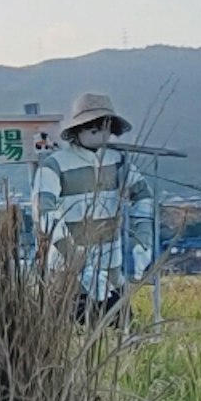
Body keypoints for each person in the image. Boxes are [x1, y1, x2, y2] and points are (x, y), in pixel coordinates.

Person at [28, 93, 146, 320]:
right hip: (69, 274)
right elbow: (43, 211)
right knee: (72, 332)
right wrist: (78, 262)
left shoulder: (118, 161)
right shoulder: (55, 165)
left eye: (105, 128)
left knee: (119, 328)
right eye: (93, 128)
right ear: (78, 130)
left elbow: (143, 195)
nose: (101, 133)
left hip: (112, 268)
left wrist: (144, 241)